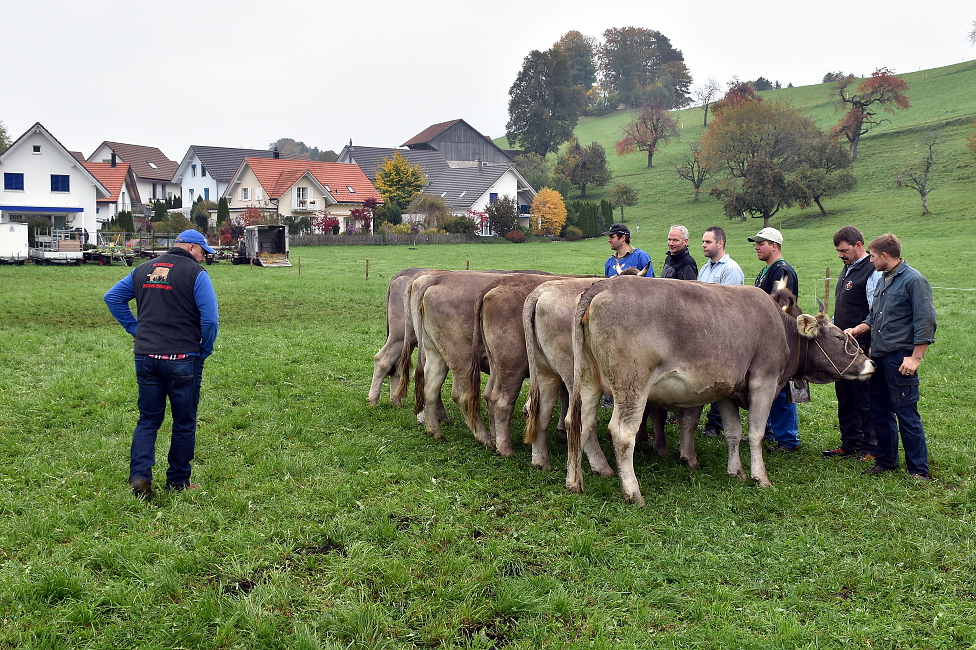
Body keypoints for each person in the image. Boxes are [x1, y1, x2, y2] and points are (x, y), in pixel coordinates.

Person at [104, 230, 220, 499]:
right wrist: (205, 348)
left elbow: (112, 298)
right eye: (203, 252)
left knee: (148, 419)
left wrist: (136, 329)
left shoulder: (142, 269)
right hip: (183, 358)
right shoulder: (195, 274)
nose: (204, 258)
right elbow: (210, 320)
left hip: (146, 356)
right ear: (191, 248)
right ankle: (178, 482)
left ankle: (140, 476)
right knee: (184, 421)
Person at [845, 234, 936, 480]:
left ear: (885, 255)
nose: (871, 261)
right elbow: (875, 318)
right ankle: (886, 462)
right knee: (879, 412)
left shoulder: (914, 281)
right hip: (879, 357)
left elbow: (925, 322)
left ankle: (918, 470)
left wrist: (915, 358)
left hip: (900, 359)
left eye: (873, 256)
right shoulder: (885, 280)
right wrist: (857, 329)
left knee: (906, 413)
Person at [822, 226, 881, 461]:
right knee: (844, 393)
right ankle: (850, 442)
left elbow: (876, 311)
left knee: (864, 397)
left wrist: (861, 334)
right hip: (845, 346)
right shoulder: (848, 268)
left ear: (859, 246)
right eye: (837, 251)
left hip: (863, 346)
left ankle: (872, 447)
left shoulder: (871, 271)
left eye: (844, 250)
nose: (840, 255)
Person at [749, 227, 800, 452]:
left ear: (775, 246)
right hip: (767, 337)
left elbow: (779, 306)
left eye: (761, 243)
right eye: (756, 243)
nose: (757, 246)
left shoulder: (782, 270)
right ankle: (768, 432)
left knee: (780, 388)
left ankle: (788, 440)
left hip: (780, 338)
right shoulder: (767, 270)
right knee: (768, 388)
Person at [697, 226, 745, 436]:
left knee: (722, 378)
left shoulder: (731, 269)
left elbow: (729, 306)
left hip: (723, 333)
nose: (704, 246)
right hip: (704, 331)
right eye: (703, 242)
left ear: (720, 243)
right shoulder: (705, 269)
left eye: (708, 242)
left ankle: (716, 423)